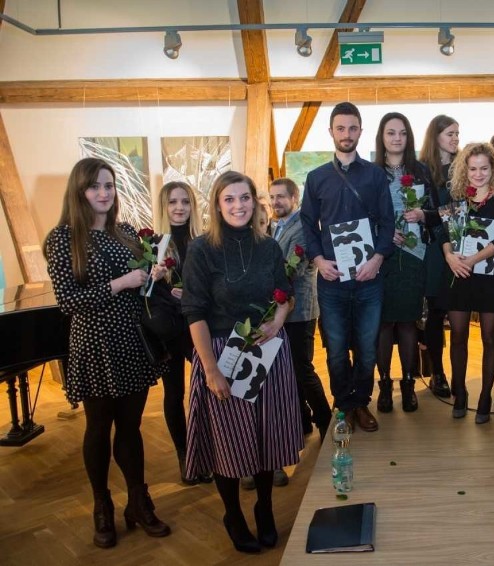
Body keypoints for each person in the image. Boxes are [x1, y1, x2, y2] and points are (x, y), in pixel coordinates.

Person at [44, 157, 171, 549]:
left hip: (132, 343)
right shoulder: (63, 238)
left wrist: (153, 278)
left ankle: (138, 501)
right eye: (96, 186)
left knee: (131, 429)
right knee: (98, 429)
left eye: (109, 185)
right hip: (95, 345)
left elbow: (141, 288)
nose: (104, 193)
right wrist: (120, 283)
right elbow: (67, 302)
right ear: (80, 191)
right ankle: (102, 507)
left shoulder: (127, 232)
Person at [182, 170, 304, 553]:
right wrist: (210, 369)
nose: (239, 205)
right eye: (230, 199)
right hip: (222, 353)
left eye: (245, 198)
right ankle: (233, 513)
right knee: (230, 442)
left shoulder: (268, 246)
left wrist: (279, 320)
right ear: (218, 206)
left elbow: (287, 293)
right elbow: (194, 312)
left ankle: (264, 508)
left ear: (255, 202)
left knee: (267, 436)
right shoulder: (202, 250)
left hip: (268, 352)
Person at [301, 102, 395, 432]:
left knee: (368, 350)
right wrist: (318, 260)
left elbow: (387, 222)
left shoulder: (374, 175)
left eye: (352, 128)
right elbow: (308, 224)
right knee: (337, 351)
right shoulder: (316, 178)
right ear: (331, 132)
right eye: (340, 128)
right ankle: (344, 405)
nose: (346, 134)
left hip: (369, 278)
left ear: (360, 131)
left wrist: (378, 258)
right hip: (332, 280)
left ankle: (361, 403)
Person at [438, 142, 494, 423]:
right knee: (457, 336)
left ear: (492, 168)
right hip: (458, 275)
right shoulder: (455, 197)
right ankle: (460, 393)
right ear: (463, 170)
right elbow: (442, 233)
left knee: (490, 337)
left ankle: (484, 396)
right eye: (473, 169)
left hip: (491, 277)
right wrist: (449, 257)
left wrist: (472, 259)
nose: (478, 174)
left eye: (484, 168)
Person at [374, 112, 437, 413]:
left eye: (402, 133)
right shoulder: (371, 172)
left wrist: (423, 215)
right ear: (382, 137)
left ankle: (409, 383)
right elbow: (363, 216)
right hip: (382, 257)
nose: (397, 138)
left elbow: (438, 213)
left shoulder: (421, 171)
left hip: (415, 256)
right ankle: (385, 384)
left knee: (409, 321)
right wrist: (384, 233)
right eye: (391, 133)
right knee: (384, 323)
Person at [151, 180, 211, 485]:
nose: (179, 208)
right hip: (170, 330)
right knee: (174, 393)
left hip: (199, 327)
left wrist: (188, 295)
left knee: (210, 387)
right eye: (173, 202)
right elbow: (147, 295)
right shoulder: (152, 245)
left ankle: (212, 449)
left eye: (185, 202)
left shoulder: (204, 241)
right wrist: (157, 281)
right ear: (163, 207)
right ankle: (184, 455)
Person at [270, 177, 331, 439]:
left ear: (294, 198)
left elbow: (288, 269)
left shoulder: (303, 227)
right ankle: (302, 421)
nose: (275, 202)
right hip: (281, 311)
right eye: (272, 197)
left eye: (281, 197)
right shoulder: (275, 227)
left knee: (303, 370)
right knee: (291, 370)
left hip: (300, 310)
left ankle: (326, 423)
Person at [418, 114, 459, 398]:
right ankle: (438, 372)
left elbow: (464, 209)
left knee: (457, 312)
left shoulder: (464, 168)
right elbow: (420, 213)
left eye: (457, 133)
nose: (456, 138)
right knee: (435, 313)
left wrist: (433, 215)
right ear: (436, 138)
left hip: (461, 247)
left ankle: (458, 371)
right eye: (450, 134)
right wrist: (439, 215)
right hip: (433, 250)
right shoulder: (421, 171)